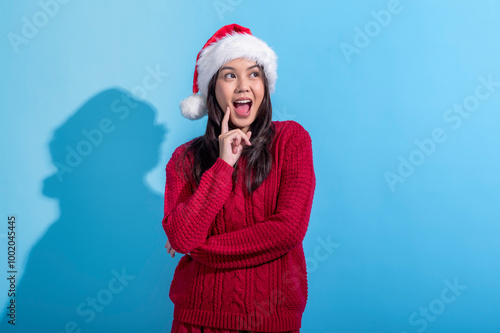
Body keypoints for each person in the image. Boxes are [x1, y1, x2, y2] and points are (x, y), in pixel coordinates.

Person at [162, 23, 316, 333]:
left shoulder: (291, 140)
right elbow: (181, 237)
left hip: (271, 321)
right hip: (196, 320)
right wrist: (223, 165)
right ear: (212, 89)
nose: (243, 85)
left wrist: (200, 248)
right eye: (230, 75)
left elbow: (287, 231)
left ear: (264, 85)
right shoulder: (185, 158)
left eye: (254, 74)